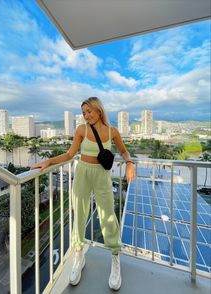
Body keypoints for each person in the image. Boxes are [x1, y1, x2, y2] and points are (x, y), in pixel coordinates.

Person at [31, 97, 136, 290]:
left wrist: (129, 164)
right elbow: (70, 155)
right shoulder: (82, 130)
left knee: (108, 216)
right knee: (79, 213)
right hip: (82, 173)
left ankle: (115, 256)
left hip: (102, 175)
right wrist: (48, 161)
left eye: (89, 111)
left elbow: (124, 151)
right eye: (84, 113)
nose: (86, 116)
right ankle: (79, 254)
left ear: (98, 110)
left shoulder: (113, 132)